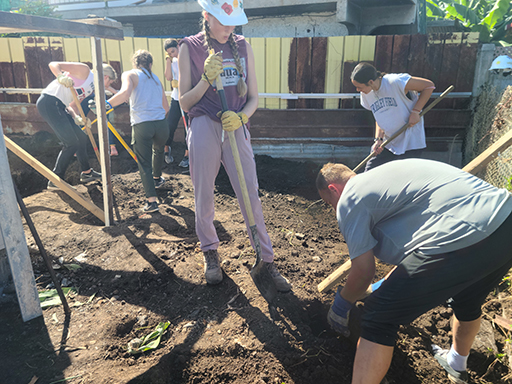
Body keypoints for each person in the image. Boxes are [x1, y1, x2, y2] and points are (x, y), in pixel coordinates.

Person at [316, 159, 512, 384]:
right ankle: (457, 363)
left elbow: (363, 270)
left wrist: (341, 305)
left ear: (333, 189)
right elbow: (415, 254)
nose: (334, 210)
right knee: (467, 300)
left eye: (329, 202)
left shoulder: (350, 198)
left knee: (378, 315)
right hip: (505, 223)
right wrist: (382, 286)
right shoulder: (387, 176)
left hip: (462, 234)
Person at [178, 0, 290, 290]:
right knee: (204, 193)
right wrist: (205, 79)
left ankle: (266, 259)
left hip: (236, 126)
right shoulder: (189, 47)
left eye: (233, 22)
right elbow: (185, 102)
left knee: (250, 192)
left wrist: (241, 117)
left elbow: (253, 98)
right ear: (206, 16)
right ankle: (210, 252)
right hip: (204, 124)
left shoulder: (242, 45)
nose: (230, 28)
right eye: (223, 22)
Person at [106, 50, 169, 213]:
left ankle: (152, 202)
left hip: (142, 124)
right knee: (159, 150)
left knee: (143, 162)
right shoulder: (156, 79)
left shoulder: (130, 74)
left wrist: (105, 105)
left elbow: (124, 93)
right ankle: (157, 178)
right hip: (161, 124)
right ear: (150, 64)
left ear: (135, 63)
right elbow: (166, 107)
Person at [36, 61, 116, 189]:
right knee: (71, 142)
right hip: (49, 102)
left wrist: (77, 118)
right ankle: (56, 179)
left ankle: (87, 173)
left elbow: (73, 106)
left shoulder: (90, 89)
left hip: (61, 107)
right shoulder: (85, 71)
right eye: (110, 83)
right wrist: (60, 76)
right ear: (106, 77)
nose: (108, 86)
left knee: (82, 136)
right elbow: (53, 64)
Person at [350, 62, 435, 172]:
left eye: (359, 87)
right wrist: (378, 139)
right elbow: (379, 117)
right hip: (387, 143)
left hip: (410, 142)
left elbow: (429, 85)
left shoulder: (395, 82)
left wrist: (416, 111)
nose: (357, 90)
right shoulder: (366, 93)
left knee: (402, 179)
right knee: (370, 174)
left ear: (371, 82)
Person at [163, 38, 189, 168]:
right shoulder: (172, 61)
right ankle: (166, 151)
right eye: (169, 53)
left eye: (173, 51)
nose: (172, 54)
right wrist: (168, 60)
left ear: (179, 47)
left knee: (187, 128)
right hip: (175, 98)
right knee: (170, 125)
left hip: (187, 98)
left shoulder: (188, 58)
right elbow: (168, 77)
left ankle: (187, 155)